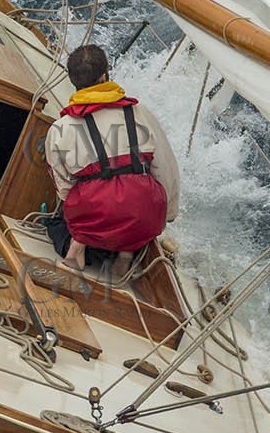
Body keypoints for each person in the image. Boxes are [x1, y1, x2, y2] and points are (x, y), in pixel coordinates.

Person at [43, 45, 180, 273]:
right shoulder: (140, 113)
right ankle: (125, 256)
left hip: (93, 221)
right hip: (145, 220)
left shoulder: (60, 129)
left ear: (73, 80)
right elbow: (165, 169)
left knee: (65, 214)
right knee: (133, 194)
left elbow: (64, 187)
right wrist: (168, 213)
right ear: (104, 75)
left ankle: (76, 252)